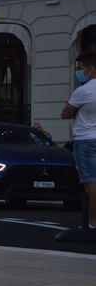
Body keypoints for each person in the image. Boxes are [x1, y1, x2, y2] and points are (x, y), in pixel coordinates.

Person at [61, 51, 96, 229]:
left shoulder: (83, 90)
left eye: (80, 69)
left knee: (90, 183)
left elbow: (64, 114)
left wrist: (70, 105)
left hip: (86, 140)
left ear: (90, 68)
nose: (78, 73)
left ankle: (92, 223)